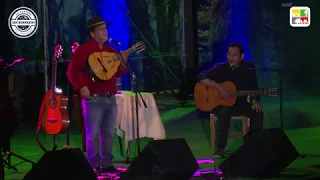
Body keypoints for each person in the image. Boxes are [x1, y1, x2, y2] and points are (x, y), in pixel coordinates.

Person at [66, 17, 128, 175]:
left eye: (105, 28)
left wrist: (122, 63)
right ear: (92, 34)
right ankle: (92, 166)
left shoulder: (110, 50)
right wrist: (81, 87)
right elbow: (71, 71)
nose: (105, 31)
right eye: (100, 29)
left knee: (108, 133)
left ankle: (107, 164)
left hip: (110, 97)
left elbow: (117, 72)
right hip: (93, 98)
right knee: (92, 134)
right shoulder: (84, 50)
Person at [196, 42, 264, 158]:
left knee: (258, 112)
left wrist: (255, 101)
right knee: (224, 111)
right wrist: (218, 87)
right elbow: (201, 77)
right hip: (222, 105)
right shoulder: (221, 68)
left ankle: (252, 145)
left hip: (240, 104)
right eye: (229, 54)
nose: (231, 57)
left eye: (235, 55)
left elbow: (254, 88)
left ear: (242, 56)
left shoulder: (248, 68)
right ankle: (220, 148)